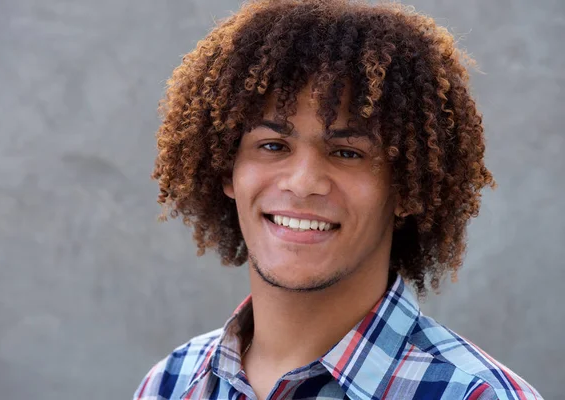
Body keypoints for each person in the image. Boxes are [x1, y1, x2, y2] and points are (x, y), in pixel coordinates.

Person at [134, 0, 542, 398]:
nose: (304, 182)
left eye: (348, 153)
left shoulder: (476, 395)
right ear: (227, 169)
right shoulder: (170, 384)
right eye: (273, 145)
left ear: (405, 189)